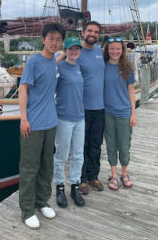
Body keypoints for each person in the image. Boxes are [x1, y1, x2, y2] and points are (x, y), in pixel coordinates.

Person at [19, 23, 65, 229]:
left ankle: (42, 201)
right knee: (30, 167)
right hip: (34, 123)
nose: (54, 42)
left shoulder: (54, 61)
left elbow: (60, 56)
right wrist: (23, 118)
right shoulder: (34, 62)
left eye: (58, 39)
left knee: (47, 165)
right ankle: (27, 210)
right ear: (43, 39)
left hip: (51, 121)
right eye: (51, 38)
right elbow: (23, 88)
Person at [54, 37, 85, 208]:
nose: (74, 52)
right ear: (65, 50)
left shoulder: (79, 67)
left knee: (78, 155)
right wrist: (60, 56)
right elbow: (48, 71)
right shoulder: (59, 67)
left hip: (80, 118)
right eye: (70, 49)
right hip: (64, 117)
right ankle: (59, 187)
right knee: (61, 155)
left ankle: (75, 185)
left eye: (77, 49)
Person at [103, 37, 136, 190]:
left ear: (122, 50)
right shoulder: (103, 66)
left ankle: (124, 173)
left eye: (118, 48)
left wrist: (133, 114)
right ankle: (114, 174)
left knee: (124, 145)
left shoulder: (127, 68)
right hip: (107, 112)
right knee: (111, 144)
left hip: (124, 112)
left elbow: (131, 91)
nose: (114, 51)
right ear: (107, 50)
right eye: (112, 48)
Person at [77, 21, 105, 195]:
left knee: (96, 144)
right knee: (81, 145)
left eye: (96, 31)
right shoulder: (75, 52)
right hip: (81, 108)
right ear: (83, 32)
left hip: (100, 107)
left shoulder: (101, 52)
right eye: (90, 31)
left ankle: (93, 175)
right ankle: (81, 179)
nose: (92, 34)